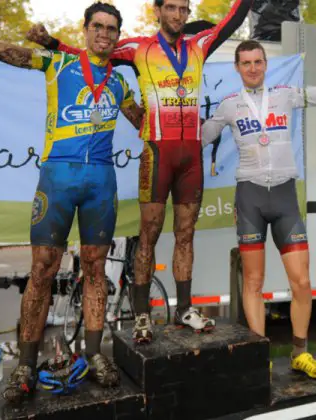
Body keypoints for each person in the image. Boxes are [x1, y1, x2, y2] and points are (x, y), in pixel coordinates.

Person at [0, 0, 144, 403]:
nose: (105, 34)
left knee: (96, 269)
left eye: (112, 29)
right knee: (42, 269)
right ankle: (26, 365)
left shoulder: (120, 82)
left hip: (101, 181)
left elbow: (147, 123)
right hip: (57, 179)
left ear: (117, 36)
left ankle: (94, 355)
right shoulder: (56, 64)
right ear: (85, 29)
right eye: (98, 26)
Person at [27, 0, 254, 342]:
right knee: (148, 235)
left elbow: (233, 20)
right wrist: (53, 45)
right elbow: (93, 52)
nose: (178, 15)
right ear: (158, 10)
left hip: (191, 155)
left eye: (184, 9)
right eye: (172, 8)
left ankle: (185, 309)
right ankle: (143, 315)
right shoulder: (138, 48)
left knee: (186, 234)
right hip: (156, 153)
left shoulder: (199, 46)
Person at [200, 24, 316, 379]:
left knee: (302, 281)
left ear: (266, 64)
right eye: (245, 62)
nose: (252, 67)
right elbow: (198, 139)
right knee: (253, 282)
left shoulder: (285, 95)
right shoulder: (229, 105)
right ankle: (258, 359)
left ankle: (300, 352)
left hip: (284, 197)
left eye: (257, 61)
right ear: (237, 68)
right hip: (249, 196)